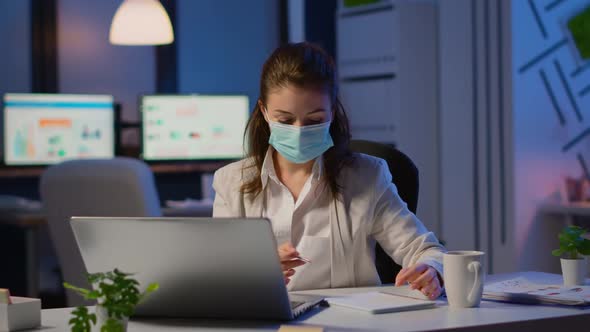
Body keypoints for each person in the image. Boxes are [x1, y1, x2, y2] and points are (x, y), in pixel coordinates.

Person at [212, 42, 446, 299]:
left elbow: (428, 250)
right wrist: (256, 271)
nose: (299, 130)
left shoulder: (367, 176)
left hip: (348, 323)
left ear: (332, 112)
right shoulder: (231, 182)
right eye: (285, 120)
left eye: (314, 120)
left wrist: (432, 270)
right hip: (267, 322)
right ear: (264, 111)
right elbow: (219, 274)